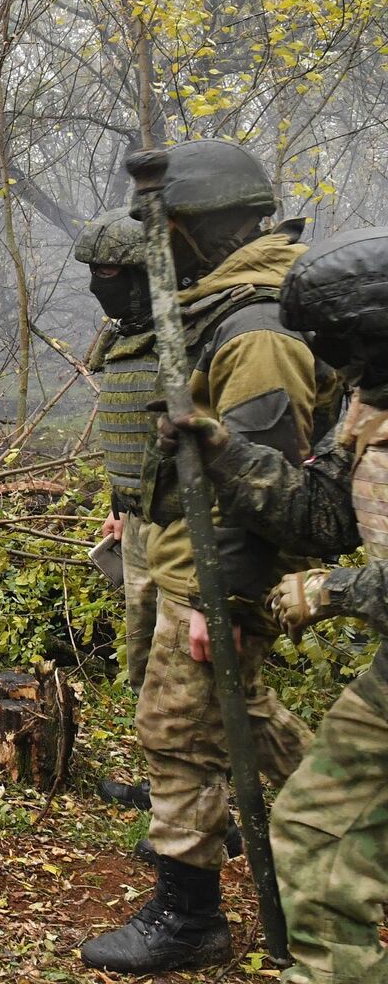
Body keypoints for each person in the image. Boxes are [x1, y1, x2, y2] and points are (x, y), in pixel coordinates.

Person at [81, 140, 339, 973]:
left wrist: (217, 600)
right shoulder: (219, 307)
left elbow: (265, 490)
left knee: (179, 733)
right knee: (236, 714)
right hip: (191, 554)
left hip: (218, 567)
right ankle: (347, 808)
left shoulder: (256, 328)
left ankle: (189, 917)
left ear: (197, 229)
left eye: (169, 231)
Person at [161, 226, 388, 984]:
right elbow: (322, 514)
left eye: (344, 346)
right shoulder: (371, 404)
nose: (340, 368)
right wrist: (223, 450)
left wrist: (334, 591)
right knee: (316, 835)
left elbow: (332, 559)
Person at [76, 208, 160, 690]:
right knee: (145, 673)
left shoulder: (189, 335)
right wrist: (120, 507)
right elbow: (132, 427)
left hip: (186, 531)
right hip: (139, 521)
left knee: (186, 688)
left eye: (105, 272)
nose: (95, 285)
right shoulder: (128, 335)